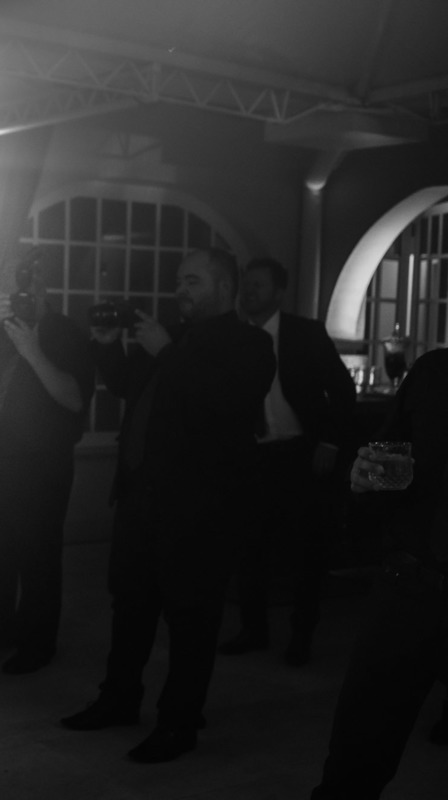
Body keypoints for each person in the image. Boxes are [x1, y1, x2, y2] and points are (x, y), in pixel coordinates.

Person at [61, 248, 275, 763]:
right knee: (130, 608)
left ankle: (179, 723)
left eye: (193, 281)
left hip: (198, 511)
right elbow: (126, 386)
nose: (181, 289)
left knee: (191, 620)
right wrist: (108, 346)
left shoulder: (249, 344)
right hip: (140, 499)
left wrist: (166, 352)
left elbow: (224, 403)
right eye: (180, 280)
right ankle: (119, 699)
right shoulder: (171, 337)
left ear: (225, 288)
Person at [311, 348, 448, 799]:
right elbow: (389, 457)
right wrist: (364, 479)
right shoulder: (434, 372)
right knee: (352, 763)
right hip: (408, 586)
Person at [0, 250, 94, 674]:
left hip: (42, 464)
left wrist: (32, 351)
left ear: (44, 285)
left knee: (38, 555)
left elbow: (74, 398)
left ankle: (37, 644)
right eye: (14, 281)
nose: (21, 289)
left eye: (29, 281)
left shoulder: (66, 332)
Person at [220, 258, 356, 666]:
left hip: (300, 453)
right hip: (252, 454)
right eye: (246, 284)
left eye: (258, 285)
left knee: (306, 550)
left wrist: (330, 441)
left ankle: (302, 635)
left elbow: (342, 389)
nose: (248, 291)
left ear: (279, 293)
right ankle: (253, 629)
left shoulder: (305, 333)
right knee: (250, 548)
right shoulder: (232, 335)